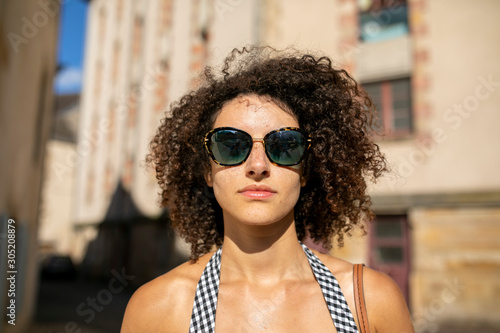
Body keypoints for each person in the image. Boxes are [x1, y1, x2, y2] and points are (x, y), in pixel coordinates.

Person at [121, 46, 414, 332]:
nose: (258, 165)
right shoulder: (157, 308)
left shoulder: (370, 300)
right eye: (231, 145)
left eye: (284, 146)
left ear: (305, 171)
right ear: (207, 171)